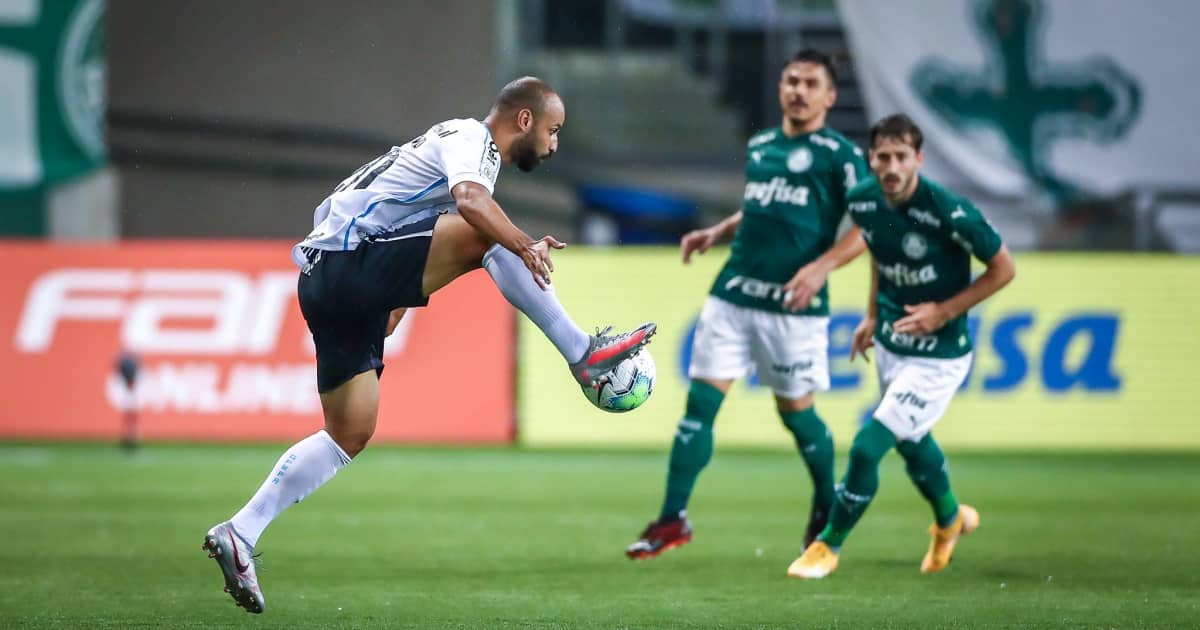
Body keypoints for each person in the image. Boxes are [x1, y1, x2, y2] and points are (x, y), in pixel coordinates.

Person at [202, 77, 656, 614]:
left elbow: (338, 208)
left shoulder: (441, 148)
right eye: (553, 131)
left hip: (324, 281)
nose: (555, 145)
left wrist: (387, 299)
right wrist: (523, 244)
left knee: (349, 433)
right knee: (485, 232)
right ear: (525, 121)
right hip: (348, 266)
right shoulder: (473, 140)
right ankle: (584, 354)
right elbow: (469, 204)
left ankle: (241, 531)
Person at [626, 49, 869, 560]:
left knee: (797, 416)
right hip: (733, 295)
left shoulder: (840, 155)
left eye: (810, 83)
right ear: (781, 88)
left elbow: (869, 227)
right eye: (791, 80)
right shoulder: (761, 146)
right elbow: (763, 206)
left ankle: (826, 507)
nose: (798, 91)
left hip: (793, 309)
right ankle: (672, 519)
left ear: (829, 96)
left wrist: (822, 266)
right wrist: (718, 230)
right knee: (698, 411)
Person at [786, 113, 1016, 579]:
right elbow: (881, 252)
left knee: (870, 445)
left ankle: (826, 546)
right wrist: (872, 314)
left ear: (918, 159)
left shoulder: (949, 210)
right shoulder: (865, 201)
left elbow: (1003, 269)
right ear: (871, 159)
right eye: (883, 156)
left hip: (940, 354)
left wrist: (944, 311)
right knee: (911, 443)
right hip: (893, 342)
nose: (891, 166)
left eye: (901, 157)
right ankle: (950, 520)